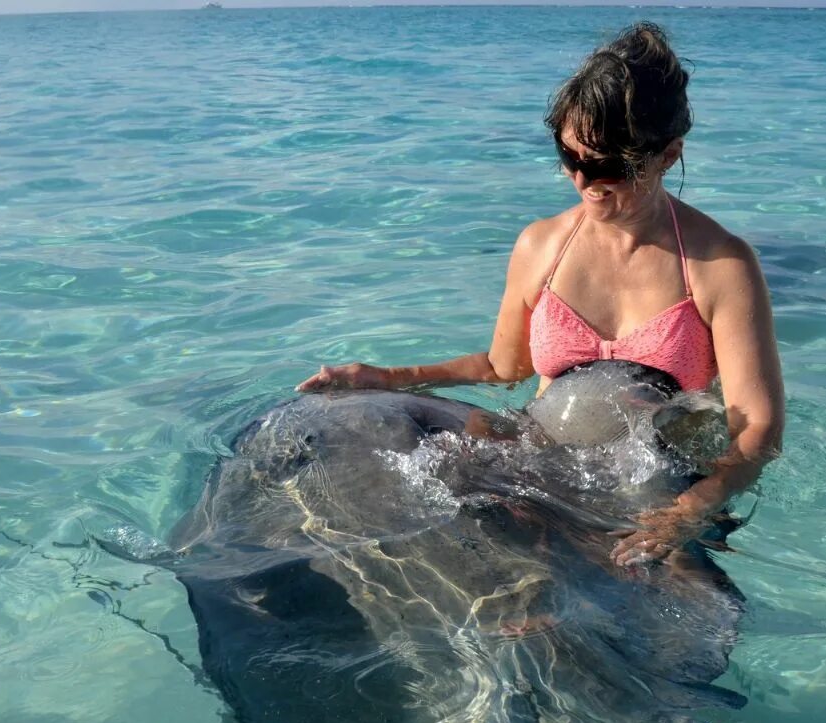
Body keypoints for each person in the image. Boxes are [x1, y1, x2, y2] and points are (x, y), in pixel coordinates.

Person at [296, 22, 784, 568]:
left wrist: (690, 510)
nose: (584, 180)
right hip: (545, 460)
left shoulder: (721, 265)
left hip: (655, 482)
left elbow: (758, 426)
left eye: (607, 166)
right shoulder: (541, 246)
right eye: (571, 157)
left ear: (668, 155)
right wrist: (388, 378)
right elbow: (503, 367)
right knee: (378, 455)